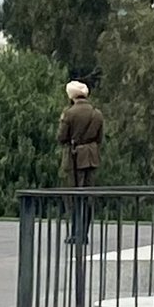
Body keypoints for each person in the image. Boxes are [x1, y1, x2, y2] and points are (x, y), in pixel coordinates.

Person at [57, 81, 103, 245]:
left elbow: (62, 137)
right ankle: (84, 233)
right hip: (91, 157)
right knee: (87, 197)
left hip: (74, 158)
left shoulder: (69, 113)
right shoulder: (97, 113)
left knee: (72, 196)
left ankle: (74, 232)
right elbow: (99, 138)